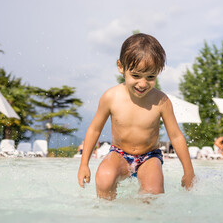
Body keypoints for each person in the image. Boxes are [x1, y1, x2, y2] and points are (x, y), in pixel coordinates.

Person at [77, 33, 195, 200]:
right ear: (121, 67)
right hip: (119, 154)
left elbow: (175, 136)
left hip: (149, 156)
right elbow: (95, 129)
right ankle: (107, 213)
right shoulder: (111, 97)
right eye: (136, 75)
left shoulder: (161, 101)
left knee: (153, 191)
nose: (143, 83)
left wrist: (188, 171)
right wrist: (84, 164)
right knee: (104, 179)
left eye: (151, 77)